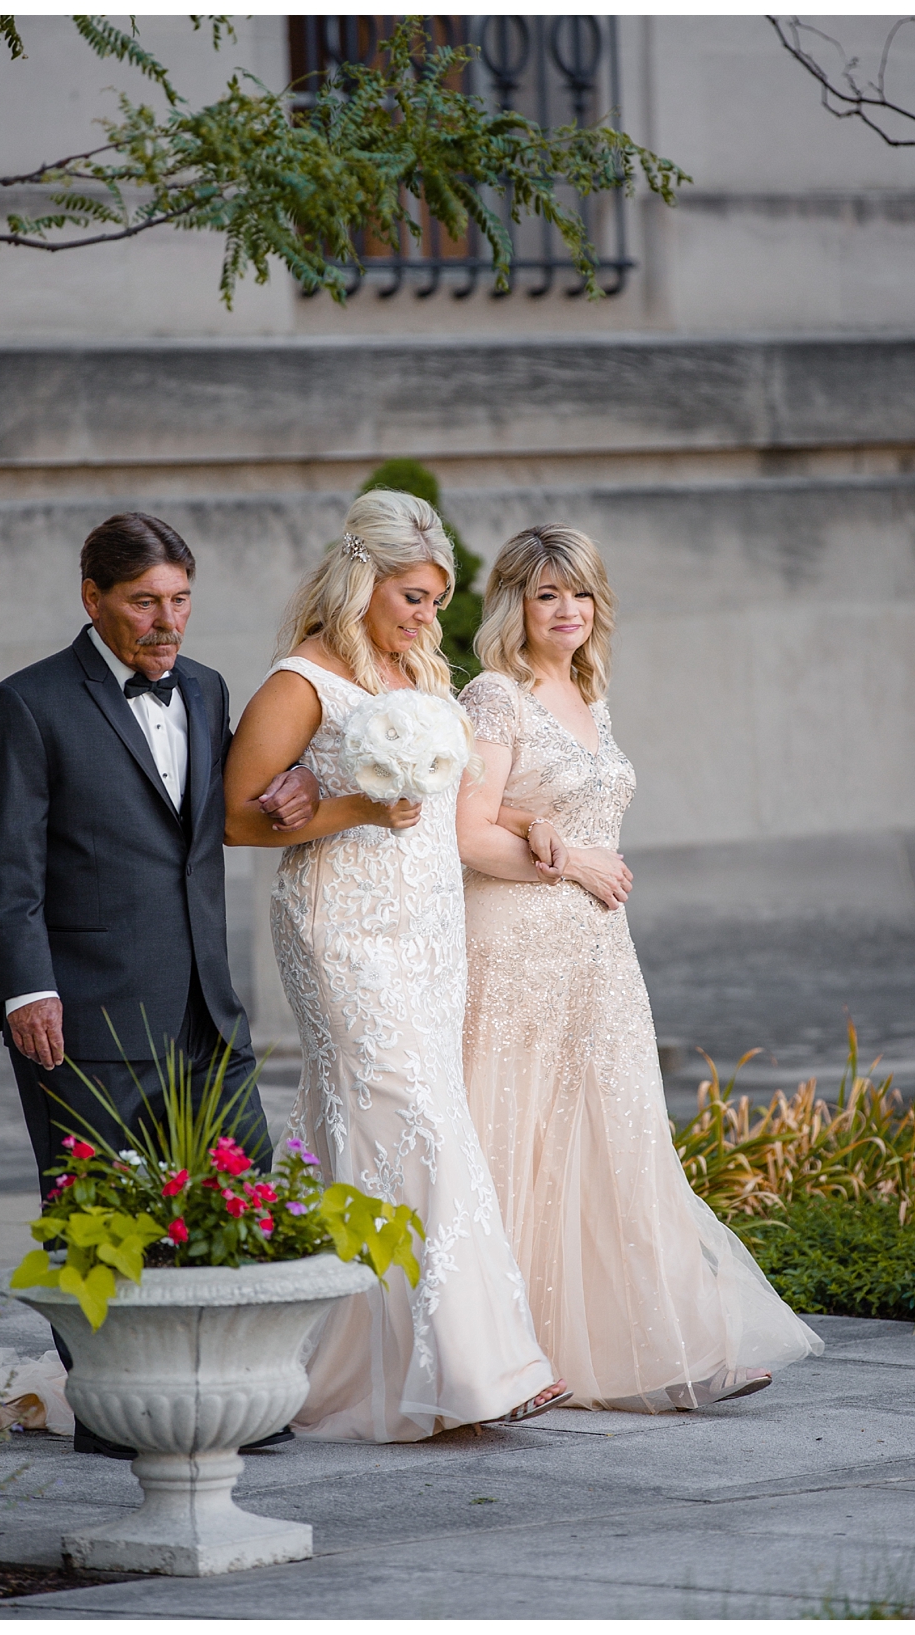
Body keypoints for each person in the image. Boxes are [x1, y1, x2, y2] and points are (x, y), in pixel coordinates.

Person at [0, 512, 315, 1458]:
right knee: (97, 1213)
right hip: (83, 1009)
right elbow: (5, 870)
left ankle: (245, 1397)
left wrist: (299, 788)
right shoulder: (28, 704)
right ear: (93, 598)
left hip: (207, 1002)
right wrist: (28, 989)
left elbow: (246, 799)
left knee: (239, 1198)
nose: (168, 621)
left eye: (181, 600)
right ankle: (117, 1409)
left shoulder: (206, 689)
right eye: (145, 602)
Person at [454, 525, 823, 1411]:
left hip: (597, 954)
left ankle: (662, 1345)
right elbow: (466, 835)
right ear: (515, 603)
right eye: (547, 594)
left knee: (617, 1139)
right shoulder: (495, 696)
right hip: (516, 949)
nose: (567, 609)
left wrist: (569, 851)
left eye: (578, 592)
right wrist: (569, 858)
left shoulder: (589, 689)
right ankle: (498, 1355)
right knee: (518, 1139)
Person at [223, 489, 568, 1441]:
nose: (427, 615)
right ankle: (481, 1366)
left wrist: (526, 820)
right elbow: (235, 818)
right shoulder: (301, 680)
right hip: (342, 925)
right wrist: (350, 808)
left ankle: (353, 1356)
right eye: (411, 596)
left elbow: (456, 800)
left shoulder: (420, 667)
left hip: (426, 925)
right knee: (414, 1110)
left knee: (389, 1126)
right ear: (361, 580)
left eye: (436, 597)